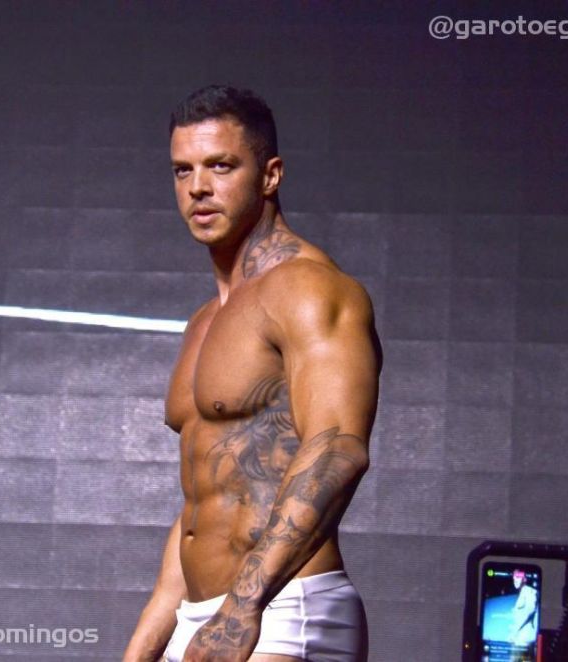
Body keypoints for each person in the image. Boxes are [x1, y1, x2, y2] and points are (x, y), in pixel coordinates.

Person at [123, 85, 380, 662]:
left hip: (283, 608)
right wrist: (143, 645)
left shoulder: (308, 288)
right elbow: (205, 498)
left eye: (221, 166)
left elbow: (338, 449)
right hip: (202, 616)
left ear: (270, 176)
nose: (198, 187)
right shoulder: (204, 322)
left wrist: (242, 609)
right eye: (183, 170)